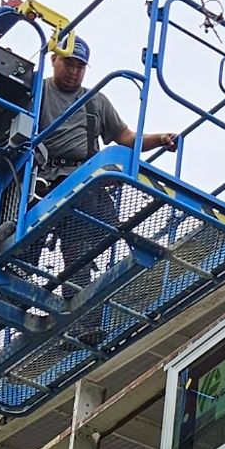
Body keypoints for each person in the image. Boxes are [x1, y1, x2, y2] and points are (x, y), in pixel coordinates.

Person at [32, 36, 177, 290]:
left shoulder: (95, 101)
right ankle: (17, 277)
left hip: (83, 180)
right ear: (54, 59)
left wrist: (161, 139)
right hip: (42, 181)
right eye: (69, 64)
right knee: (25, 241)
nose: (74, 72)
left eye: (80, 66)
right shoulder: (37, 92)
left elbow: (126, 138)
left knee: (88, 231)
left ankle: (76, 286)